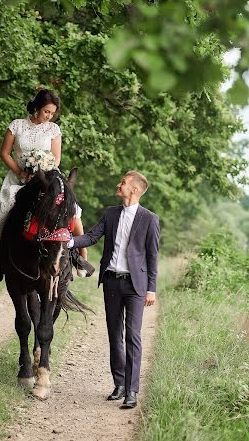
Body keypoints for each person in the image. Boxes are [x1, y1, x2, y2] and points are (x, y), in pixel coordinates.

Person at [69, 171, 159, 409]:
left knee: (132, 336)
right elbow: (90, 237)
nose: (119, 185)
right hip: (111, 281)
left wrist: (151, 289)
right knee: (114, 334)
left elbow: (152, 256)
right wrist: (67, 241)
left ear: (135, 190)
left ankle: (132, 390)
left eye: (124, 183)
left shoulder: (149, 219)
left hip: (135, 285)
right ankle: (119, 384)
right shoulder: (110, 213)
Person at [0, 88, 88, 282]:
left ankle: (82, 257)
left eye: (52, 113)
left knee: (73, 209)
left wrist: (44, 173)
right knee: (3, 212)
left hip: (48, 178)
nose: (49, 116)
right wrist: (22, 172)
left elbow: (56, 159)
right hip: (20, 178)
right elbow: (4, 153)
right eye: (46, 111)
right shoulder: (17, 125)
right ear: (36, 108)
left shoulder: (53, 130)